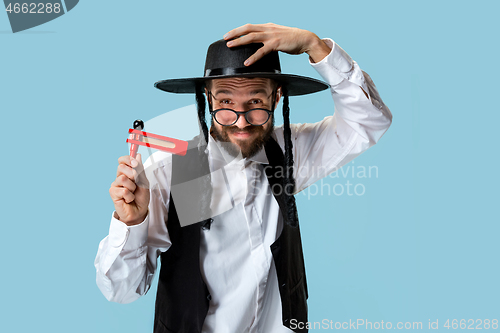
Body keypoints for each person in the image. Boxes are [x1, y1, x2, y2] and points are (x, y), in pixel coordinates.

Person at [95, 23, 392, 333]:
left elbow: (369, 121)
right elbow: (122, 291)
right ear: (208, 99)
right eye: (225, 103)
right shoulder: (174, 171)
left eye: (255, 103)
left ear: (276, 98)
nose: (241, 121)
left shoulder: (288, 153)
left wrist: (314, 46)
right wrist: (131, 223)